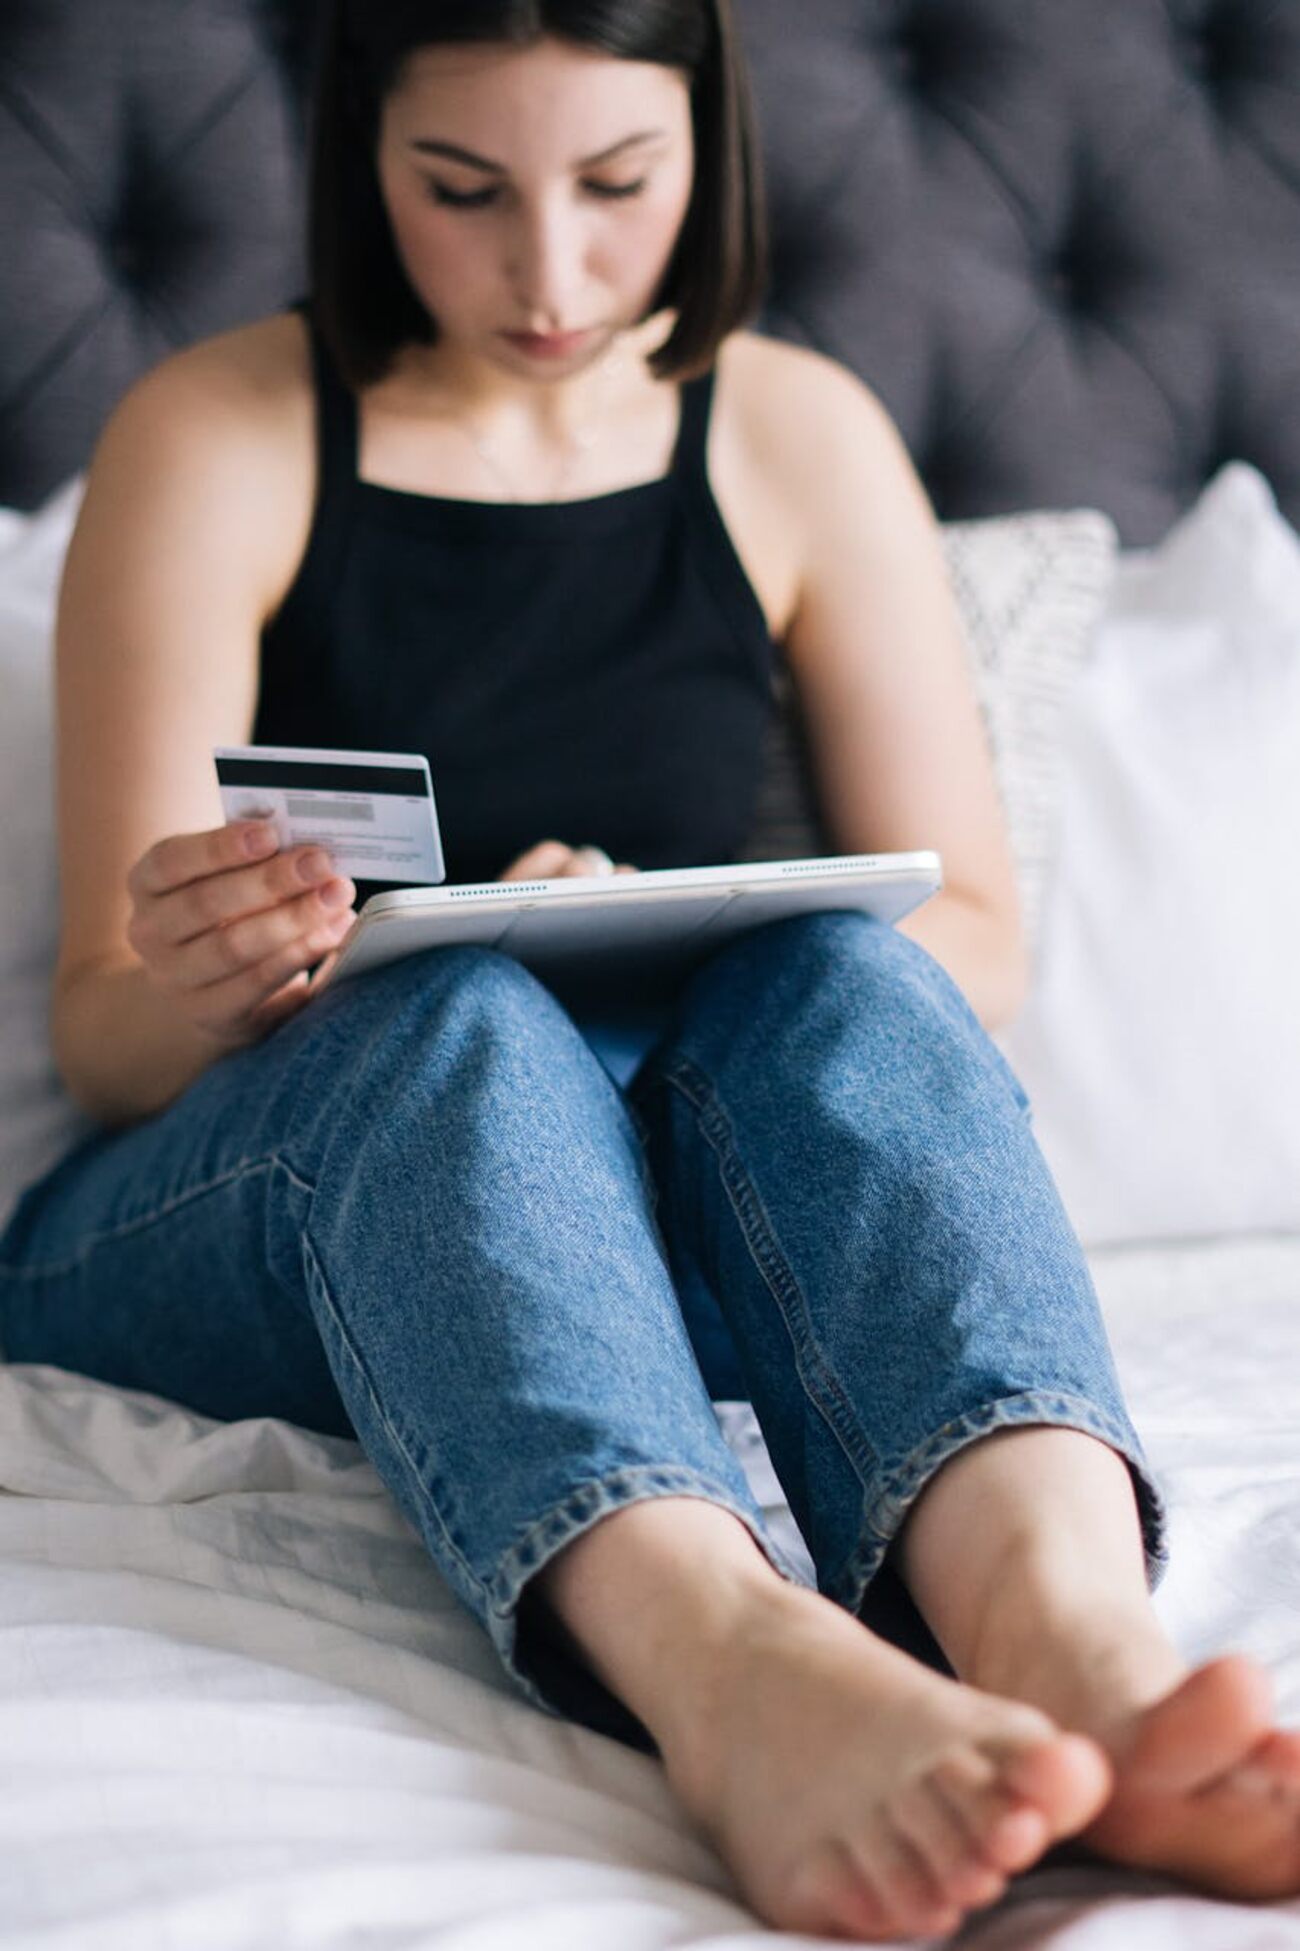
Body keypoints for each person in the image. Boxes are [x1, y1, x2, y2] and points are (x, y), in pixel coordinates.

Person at [2, 0, 1298, 1938]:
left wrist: (663, 903)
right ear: (367, 159)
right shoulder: (218, 428)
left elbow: (974, 945)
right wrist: (218, 974)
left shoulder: (792, 429)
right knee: (453, 1011)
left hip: (672, 1208)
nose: (547, 274)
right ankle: (731, 1673)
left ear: (710, 150)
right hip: (275, 1190)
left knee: (856, 984)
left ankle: (1069, 1644)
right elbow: (105, 1038)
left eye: (617, 186)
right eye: (462, 192)